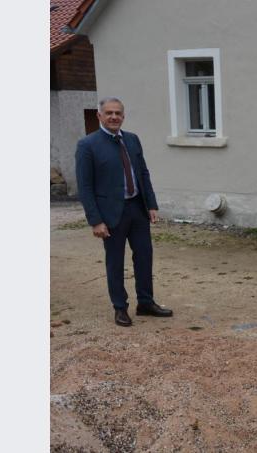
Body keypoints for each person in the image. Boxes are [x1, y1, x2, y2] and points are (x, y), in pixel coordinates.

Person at [76, 97, 173, 327]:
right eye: (108, 113)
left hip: (137, 209)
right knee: (115, 262)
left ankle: (146, 302)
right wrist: (95, 220)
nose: (113, 117)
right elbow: (85, 186)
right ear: (99, 115)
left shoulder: (132, 140)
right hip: (110, 215)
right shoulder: (87, 145)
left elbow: (143, 173)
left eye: (118, 113)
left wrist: (151, 205)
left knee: (144, 257)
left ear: (123, 116)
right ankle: (120, 308)